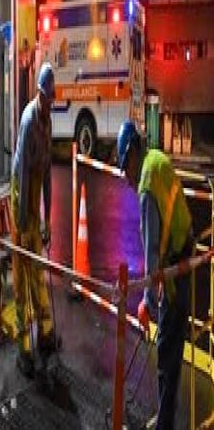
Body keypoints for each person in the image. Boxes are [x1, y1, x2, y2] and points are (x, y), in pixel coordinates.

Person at [117, 121, 193, 429]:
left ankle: (164, 425)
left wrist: (147, 301)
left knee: (166, 354)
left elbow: (151, 251)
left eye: (125, 167)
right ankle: (164, 417)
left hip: (175, 269)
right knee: (171, 351)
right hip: (182, 255)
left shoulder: (146, 185)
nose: (126, 177)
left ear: (133, 153)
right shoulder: (157, 159)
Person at [11, 62, 58, 378]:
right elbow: (25, 174)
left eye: (51, 99)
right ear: (38, 93)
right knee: (22, 272)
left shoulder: (48, 122)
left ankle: (45, 333)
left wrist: (47, 219)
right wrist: (24, 220)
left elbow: (47, 173)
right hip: (21, 193)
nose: (48, 103)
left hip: (35, 189)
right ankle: (23, 347)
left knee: (37, 268)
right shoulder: (29, 121)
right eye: (46, 98)